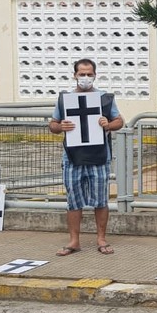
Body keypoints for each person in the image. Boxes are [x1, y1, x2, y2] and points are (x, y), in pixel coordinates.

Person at [48, 59, 124, 256]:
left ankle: (101, 239)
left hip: (99, 155)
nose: (85, 78)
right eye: (82, 74)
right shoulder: (65, 99)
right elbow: (53, 125)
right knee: (73, 200)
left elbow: (119, 121)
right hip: (72, 156)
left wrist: (108, 124)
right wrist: (60, 127)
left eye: (89, 74)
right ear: (74, 75)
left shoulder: (104, 98)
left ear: (95, 75)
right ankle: (74, 241)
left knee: (101, 200)